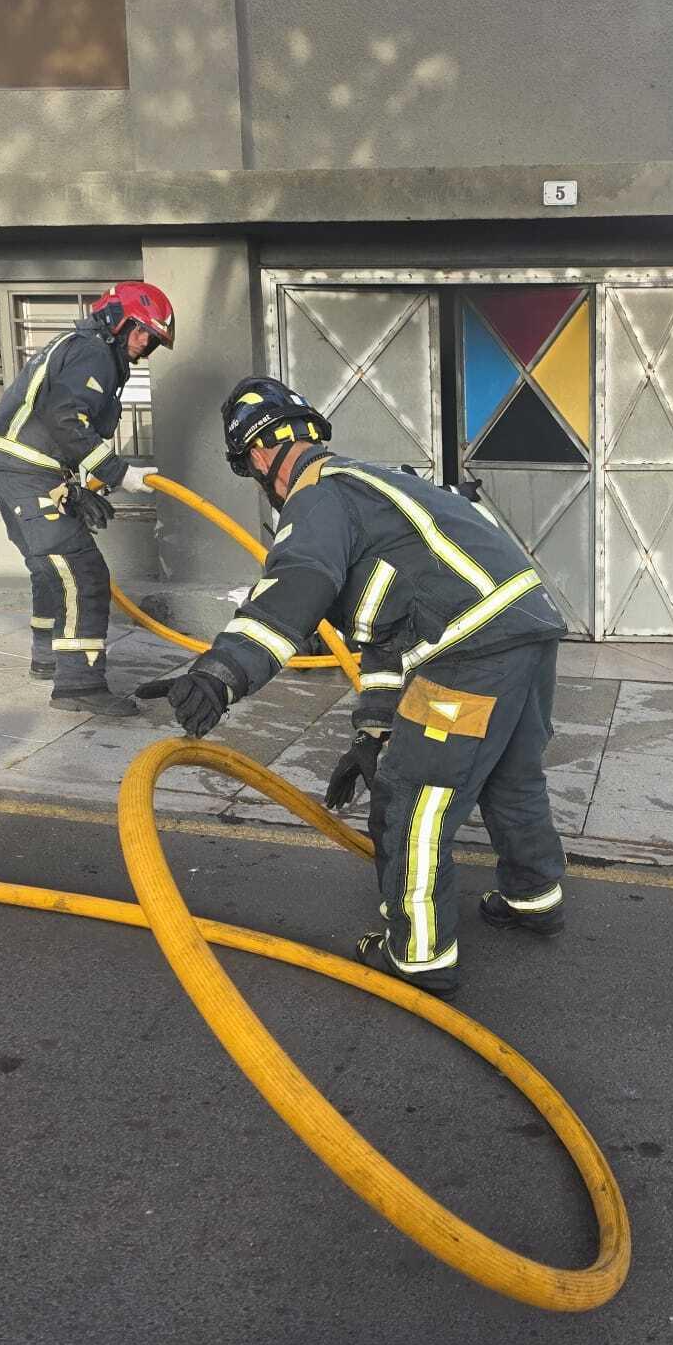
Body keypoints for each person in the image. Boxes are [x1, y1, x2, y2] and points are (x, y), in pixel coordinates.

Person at [140, 377, 567, 997]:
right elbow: (389, 633)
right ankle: (535, 895)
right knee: (512, 775)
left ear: (258, 457)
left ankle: (418, 952)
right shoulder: (381, 486)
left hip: (468, 652)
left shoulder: (318, 499)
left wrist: (222, 671)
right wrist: (372, 729)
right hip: (524, 632)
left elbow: (298, 581)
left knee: (414, 798)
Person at [0, 283, 172, 716]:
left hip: (22, 472)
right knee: (83, 573)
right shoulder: (94, 352)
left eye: (154, 341)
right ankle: (79, 685)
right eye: (142, 333)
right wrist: (118, 473)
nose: (145, 347)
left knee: (50, 570)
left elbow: (61, 422)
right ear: (118, 318)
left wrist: (75, 486)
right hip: (26, 472)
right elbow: (65, 417)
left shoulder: (81, 348)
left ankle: (48, 660)